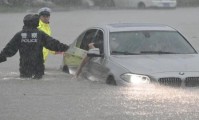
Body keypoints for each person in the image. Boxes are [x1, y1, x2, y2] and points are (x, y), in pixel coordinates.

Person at [0, 14, 69, 79]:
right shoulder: (40, 34)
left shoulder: (19, 35)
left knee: (25, 80)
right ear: (37, 22)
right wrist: (68, 48)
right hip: (38, 68)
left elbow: (8, 50)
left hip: (25, 68)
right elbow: (54, 45)